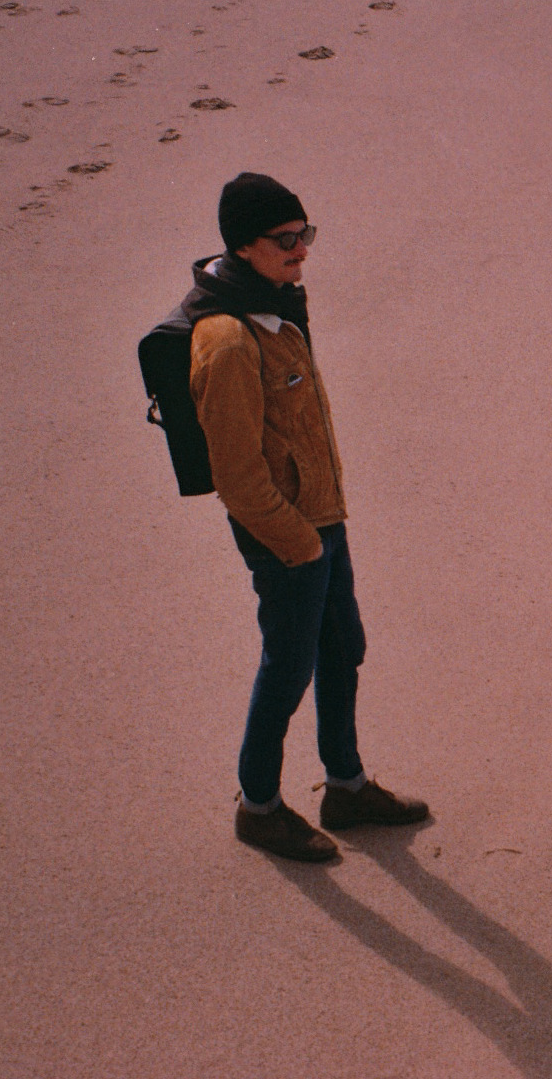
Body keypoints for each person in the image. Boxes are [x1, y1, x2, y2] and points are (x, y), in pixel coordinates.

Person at [186, 171, 428, 862]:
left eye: (305, 233)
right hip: (285, 535)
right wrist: (301, 545)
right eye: (286, 238)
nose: (302, 249)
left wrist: (324, 531)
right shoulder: (229, 340)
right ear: (243, 245)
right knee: (288, 667)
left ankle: (346, 787)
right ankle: (258, 807)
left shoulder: (276, 302)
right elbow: (237, 476)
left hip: (322, 518)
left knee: (342, 647)